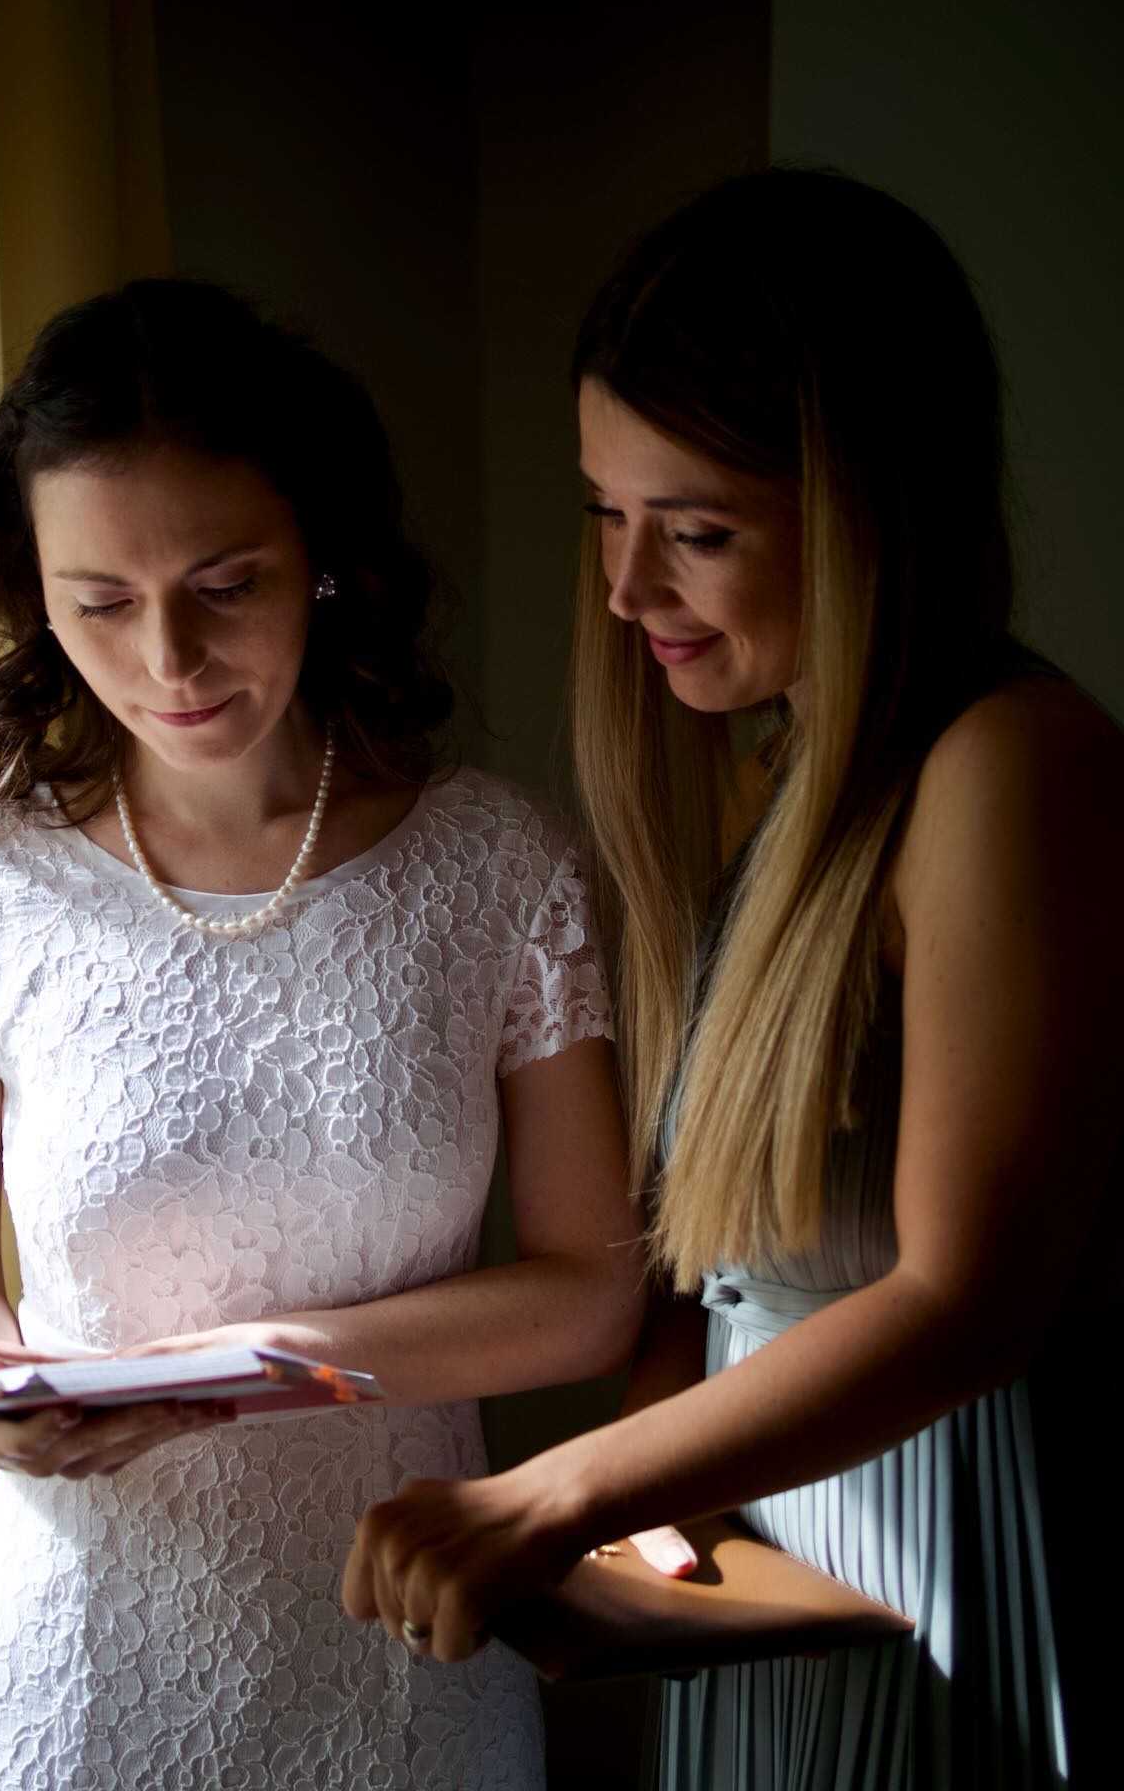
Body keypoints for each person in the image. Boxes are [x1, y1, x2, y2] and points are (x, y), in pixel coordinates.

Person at [342, 168, 1121, 1788]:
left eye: (696, 531)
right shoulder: (776, 779)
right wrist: (649, 1493)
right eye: (605, 516)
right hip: (769, 1550)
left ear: (874, 509)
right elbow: (720, 1270)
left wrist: (565, 1488)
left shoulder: (1010, 765)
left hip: (945, 1556)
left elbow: (967, 1300)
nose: (628, 589)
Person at [0, 279, 643, 1790]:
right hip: (79, 1662)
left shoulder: (498, 870)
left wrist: (279, 1357)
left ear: (322, 558)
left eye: (226, 585)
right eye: (102, 602)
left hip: (405, 1656)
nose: (170, 658)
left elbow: (590, 1293)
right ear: (36, 595)